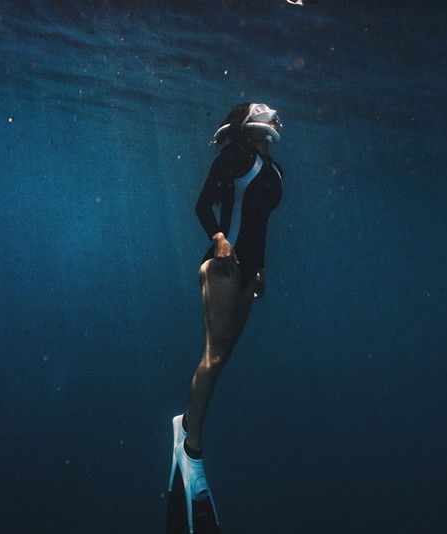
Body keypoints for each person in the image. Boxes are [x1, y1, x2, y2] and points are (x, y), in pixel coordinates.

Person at [168, 102, 284, 532]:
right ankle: (190, 444)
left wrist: (262, 269)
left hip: (249, 273)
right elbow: (202, 205)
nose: (273, 115)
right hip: (221, 266)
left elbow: (261, 224)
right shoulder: (234, 157)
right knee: (214, 357)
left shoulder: (275, 171)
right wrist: (217, 237)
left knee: (224, 359)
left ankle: (187, 426)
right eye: (265, 112)